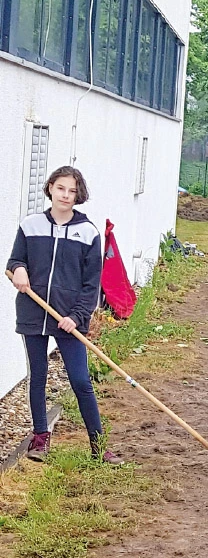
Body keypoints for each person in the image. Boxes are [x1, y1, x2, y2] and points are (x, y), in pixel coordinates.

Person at [7, 166, 122, 464]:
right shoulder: (30, 226)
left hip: (69, 320)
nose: (66, 195)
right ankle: (40, 438)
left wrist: (76, 316)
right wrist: (19, 270)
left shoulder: (88, 233)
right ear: (50, 188)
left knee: (81, 381)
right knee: (38, 376)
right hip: (34, 313)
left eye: (72, 191)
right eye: (61, 188)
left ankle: (98, 445)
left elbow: (91, 284)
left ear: (78, 195)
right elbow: (15, 261)